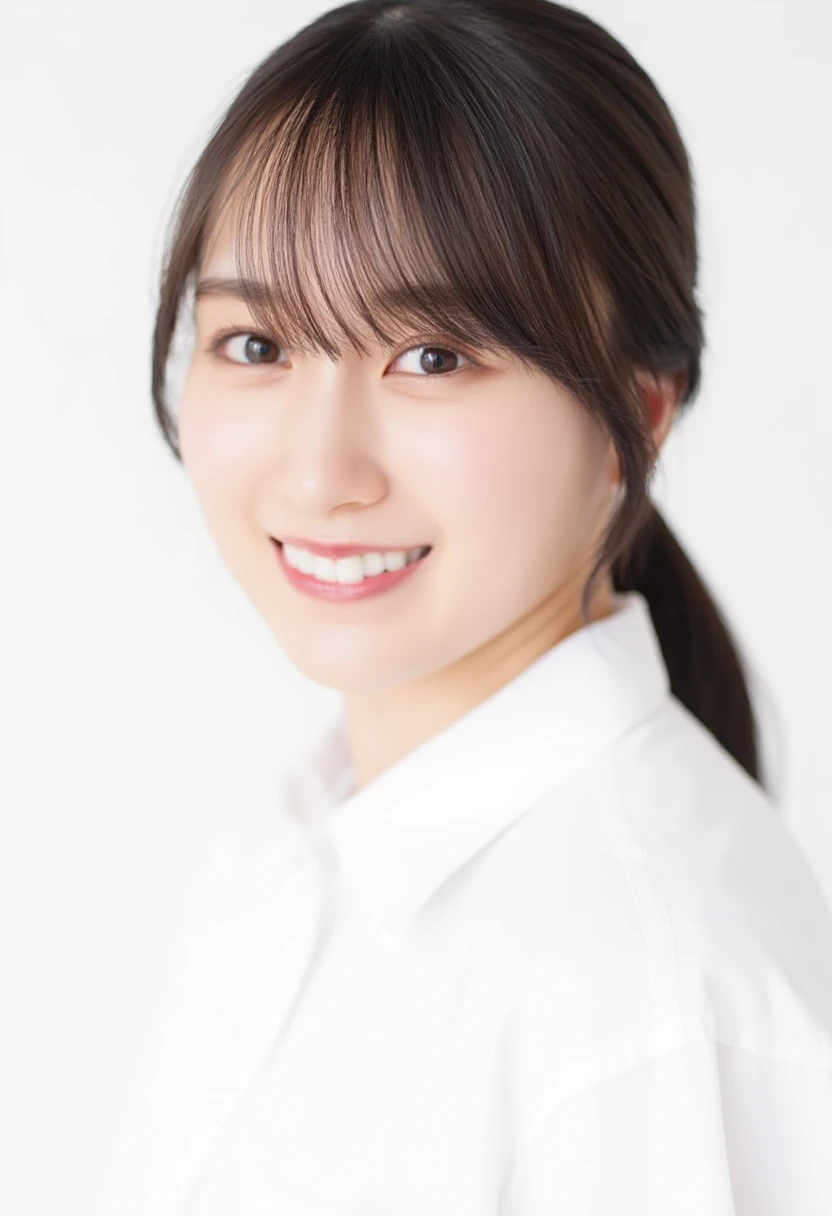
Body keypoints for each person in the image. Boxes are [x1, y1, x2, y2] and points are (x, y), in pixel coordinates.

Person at [94, 1, 832, 1212]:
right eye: (257, 341)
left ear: (638, 412)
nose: (320, 473)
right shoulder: (291, 854)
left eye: (432, 355)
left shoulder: (648, 1007)